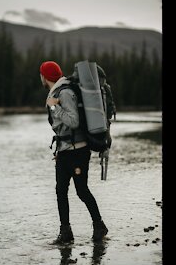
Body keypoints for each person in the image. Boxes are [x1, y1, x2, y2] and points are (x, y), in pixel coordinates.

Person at [40, 61, 108, 244]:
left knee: (81, 191)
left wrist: (54, 107)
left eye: (41, 74)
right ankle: (66, 233)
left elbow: (73, 121)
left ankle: (99, 226)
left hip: (77, 152)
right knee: (60, 191)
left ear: (44, 76)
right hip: (65, 151)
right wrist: (60, 149)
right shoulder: (57, 91)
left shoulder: (64, 93)